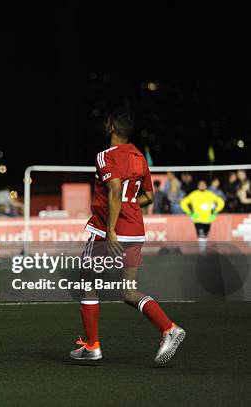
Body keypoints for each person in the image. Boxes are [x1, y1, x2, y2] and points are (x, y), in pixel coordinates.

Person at [74, 107, 185, 365]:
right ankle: (169, 328)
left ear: (111, 126)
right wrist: (128, 207)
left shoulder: (105, 156)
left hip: (107, 231)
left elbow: (114, 191)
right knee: (127, 290)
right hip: (135, 230)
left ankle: (92, 346)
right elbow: (147, 196)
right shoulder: (138, 156)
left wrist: (111, 229)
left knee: (86, 282)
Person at [180, 180, 225, 252]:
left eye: (203, 184)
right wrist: (189, 213)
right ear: (198, 186)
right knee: (201, 234)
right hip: (198, 219)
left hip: (207, 219)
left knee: (205, 235)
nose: (202, 186)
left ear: (206, 186)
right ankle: (202, 251)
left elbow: (221, 202)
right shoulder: (194, 194)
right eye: (200, 185)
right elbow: (183, 203)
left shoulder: (210, 194)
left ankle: (203, 249)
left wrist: (215, 212)